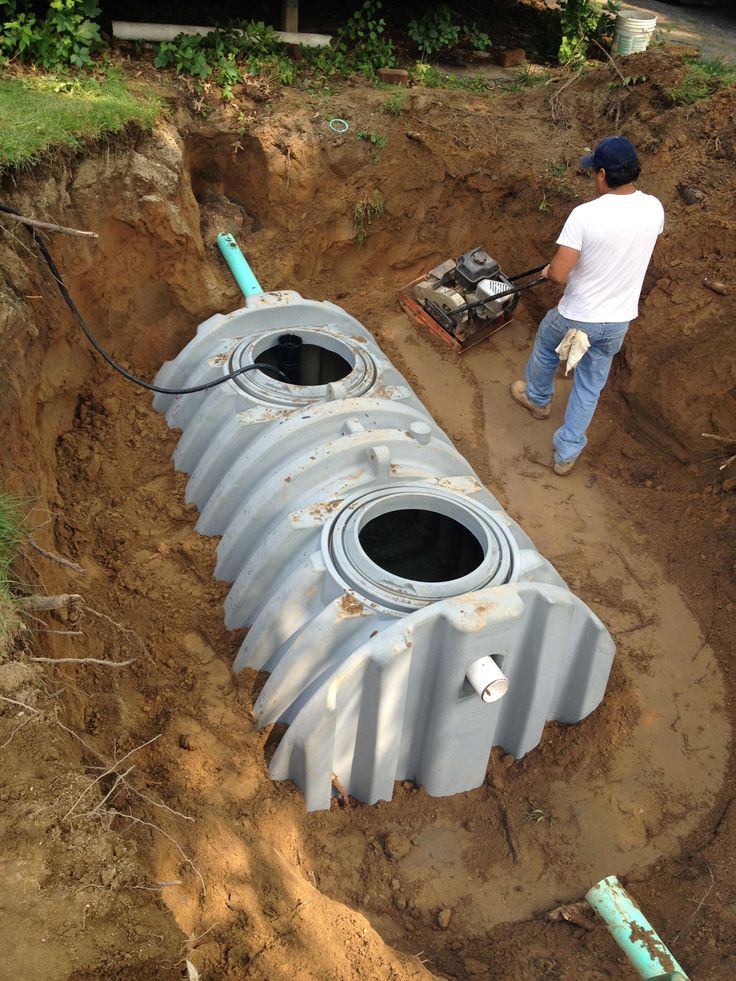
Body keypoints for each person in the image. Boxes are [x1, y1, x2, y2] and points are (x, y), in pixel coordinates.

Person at [510, 135, 664, 475]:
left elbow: (560, 275)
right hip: (618, 321)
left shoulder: (585, 215)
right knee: (590, 384)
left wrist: (551, 269)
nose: (593, 176)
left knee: (547, 346)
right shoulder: (654, 208)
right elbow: (631, 249)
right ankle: (566, 453)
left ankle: (537, 400)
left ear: (603, 174)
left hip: (578, 314)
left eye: (594, 171)